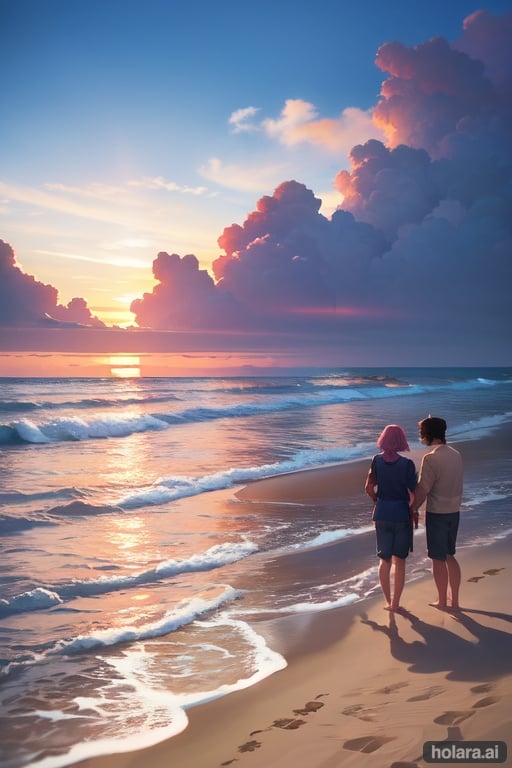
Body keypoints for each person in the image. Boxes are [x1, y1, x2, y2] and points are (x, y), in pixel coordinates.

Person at [365, 424, 417, 613]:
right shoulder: (407, 465)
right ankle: (396, 603)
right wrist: (412, 508)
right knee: (400, 561)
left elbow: (369, 487)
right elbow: (413, 493)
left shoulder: (376, 461)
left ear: (383, 439)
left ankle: (387, 601)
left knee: (384, 559)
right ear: (401, 441)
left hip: (382, 514)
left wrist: (376, 501)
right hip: (401, 515)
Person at [414, 416, 463, 611]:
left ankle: (442, 600)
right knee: (449, 555)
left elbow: (423, 490)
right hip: (454, 511)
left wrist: (413, 508)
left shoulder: (431, 458)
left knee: (437, 557)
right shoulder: (455, 454)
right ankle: (456, 600)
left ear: (428, 434)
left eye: (421, 433)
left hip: (437, 513)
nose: (420, 436)